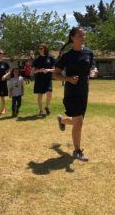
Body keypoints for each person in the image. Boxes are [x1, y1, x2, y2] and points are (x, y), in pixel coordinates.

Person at [54, 27, 98, 161]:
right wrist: (68, 79)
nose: (83, 37)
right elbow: (56, 73)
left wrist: (93, 72)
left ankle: (62, 121)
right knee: (78, 123)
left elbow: (92, 67)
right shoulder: (67, 56)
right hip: (71, 92)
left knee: (76, 121)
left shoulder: (88, 53)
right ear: (72, 37)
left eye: (84, 35)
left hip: (84, 91)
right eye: (80, 35)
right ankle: (77, 151)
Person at [32, 44, 55, 116]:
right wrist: (39, 70)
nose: (40, 50)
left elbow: (55, 69)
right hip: (39, 80)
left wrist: (48, 70)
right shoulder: (37, 60)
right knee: (40, 95)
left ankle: (47, 106)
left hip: (48, 79)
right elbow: (32, 71)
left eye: (41, 48)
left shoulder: (50, 58)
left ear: (45, 49)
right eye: (39, 49)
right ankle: (41, 110)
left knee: (49, 93)